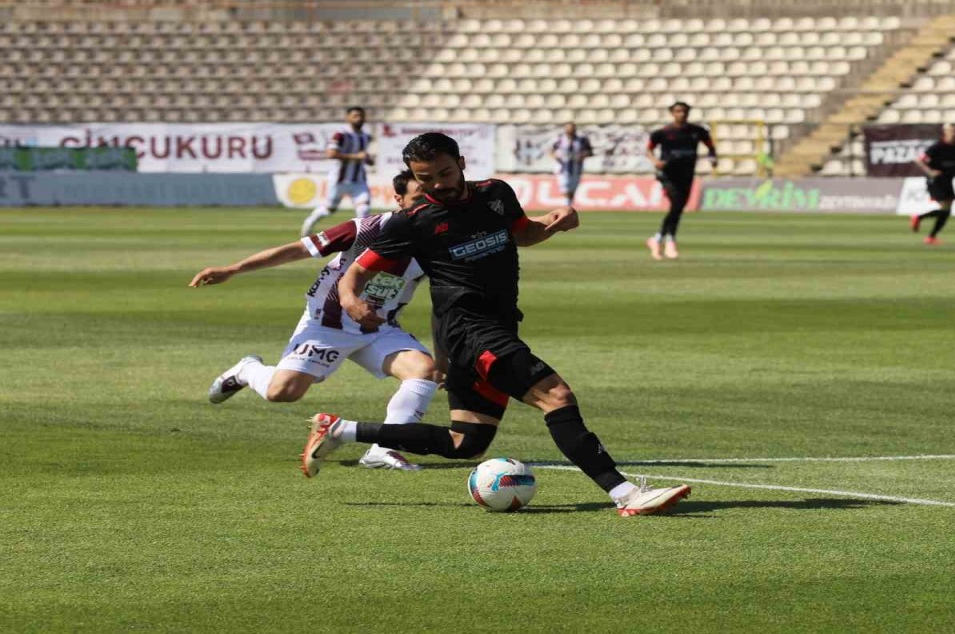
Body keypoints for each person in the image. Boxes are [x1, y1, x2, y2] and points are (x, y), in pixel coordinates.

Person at [300, 132, 692, 517]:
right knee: (555, 396)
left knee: (464, 443)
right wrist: (350, 300)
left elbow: (522, 234)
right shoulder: (412, 223)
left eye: (445, 173)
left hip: (493, 328)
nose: (438, 184)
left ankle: (341, 430)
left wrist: (553, 223)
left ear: (462, 164)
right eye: (425, 178)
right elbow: (356, 274)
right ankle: (625, 494)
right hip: (470, 331)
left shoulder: (496, 194)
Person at [191, 169, 441, 471]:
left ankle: (383, 449)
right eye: (417, 199)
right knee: (283, 393)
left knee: (425, 370)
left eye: (431, 198)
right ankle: (248, 369)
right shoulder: (365, 229)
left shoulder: (437, 242)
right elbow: (296, 250)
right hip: (329, 324)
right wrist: (233, 269)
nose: (425, 205)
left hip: (379, 328)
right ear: (398, 199)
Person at [644, 101, 716, 260]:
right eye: (677, 111)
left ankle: (659, 239)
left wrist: (713, 157)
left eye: (684, 111)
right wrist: (655, 161)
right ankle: (668, 241)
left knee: (678, 208)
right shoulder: (663, 132)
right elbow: (648, 149)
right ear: (672, 113)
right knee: (676, 205)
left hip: (687, 174)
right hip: (668, 174)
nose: (681, 114)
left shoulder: (697, 131)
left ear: (688, 113)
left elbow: (710, 146)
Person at [301, 106, 376, 236]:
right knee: (329, 209)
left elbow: (362, 156)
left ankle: (362, 238)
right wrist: (356, 156)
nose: (359, 119)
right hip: (339, 179)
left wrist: (367, 159)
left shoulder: (365, 136)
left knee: (364, 208)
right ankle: (309, 222)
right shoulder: (341, 134)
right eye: (355, 116)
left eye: (361, 116)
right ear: (348, 118)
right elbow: (331, 153)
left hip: (359, 180)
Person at [910, 123, 955, 245]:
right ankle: (921, 222)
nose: (954, 133)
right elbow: (919, 160)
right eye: (951, 131)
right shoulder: (937, 147)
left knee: (947, 210)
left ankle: (929, 234)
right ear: (945, 132)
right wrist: (930, 171)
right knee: (945, 207)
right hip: (936, 179)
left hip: (948, 180)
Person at [548, 122, 593, 207]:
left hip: (576, 169)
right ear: (565, 129)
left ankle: (568, 207)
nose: (570, 130)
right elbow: (550, 151)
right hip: (562, 168)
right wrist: (555, 156)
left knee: (572, 190)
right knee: (565, 187)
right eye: (568, 128)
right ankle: (566, 207)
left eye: (572, 128)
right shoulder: (559, 139)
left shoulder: (582, 140)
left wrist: (583, 155)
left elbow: (590, 152)